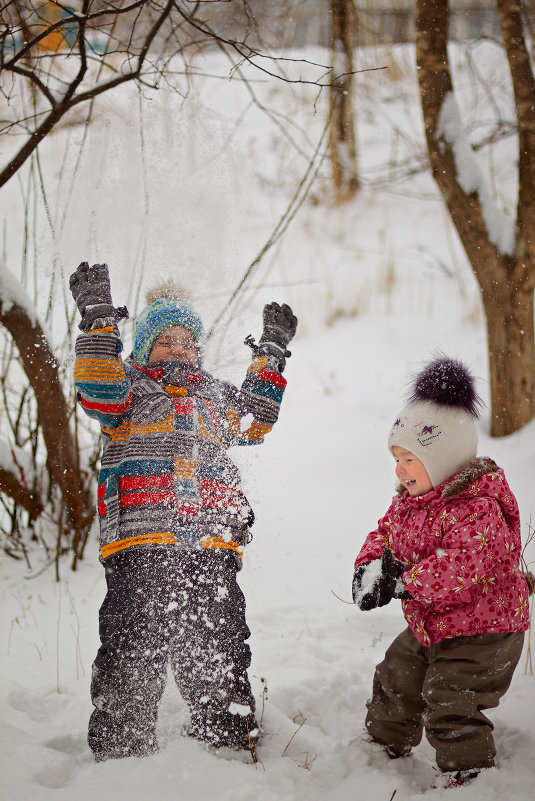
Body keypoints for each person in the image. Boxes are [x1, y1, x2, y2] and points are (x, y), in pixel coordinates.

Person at [69, 262, 297, 761]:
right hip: (141, 542)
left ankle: (226, 734)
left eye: (187, 342)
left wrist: (271, 355)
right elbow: (97, 386)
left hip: (210, 545)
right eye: (165, 341)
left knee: (219, 635)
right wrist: (98, 322)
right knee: (133, 639)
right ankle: (121, 744)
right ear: (144, 347)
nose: (179, 350)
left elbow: (257, 419)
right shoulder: (127, 392)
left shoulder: (214, 395)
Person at [352, 356, 530, 789]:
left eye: (410, 459)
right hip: (435, 621)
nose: (400, 469)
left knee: (451, 696)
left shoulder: (478, 507)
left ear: (444, 457)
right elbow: (385, 532)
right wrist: (370, 566)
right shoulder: (411, 502)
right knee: (397, 674)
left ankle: (468, 774)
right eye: (396, 458)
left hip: (486, 631)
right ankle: (383, 743)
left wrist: (403, 581)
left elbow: (460, 566)